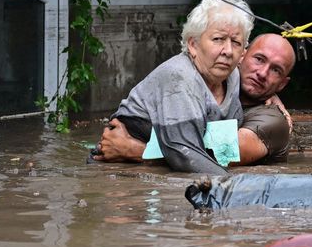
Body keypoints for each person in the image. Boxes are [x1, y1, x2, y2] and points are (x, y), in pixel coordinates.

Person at [93, 0, 254, 175]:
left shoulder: (233, 76)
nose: (228, 50)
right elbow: (185, 154)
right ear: (193, 45)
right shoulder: (179, 75)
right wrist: (238, 188)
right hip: (121, 172)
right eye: (218, 39)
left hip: (149, 161)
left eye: (236, 42)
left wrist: (138, 151)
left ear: (243, 53)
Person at [94, 33, 296, 166]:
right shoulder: (208, 84)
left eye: (275, 70)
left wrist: (134, 151)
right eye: (259, 59)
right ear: (241, 56)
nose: (262, 73)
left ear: (283, 84)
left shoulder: (273, 121)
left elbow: (221, 155)